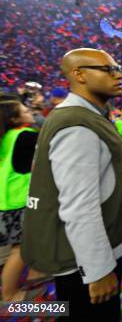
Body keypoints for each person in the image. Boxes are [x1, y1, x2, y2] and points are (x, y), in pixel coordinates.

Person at [21, 48, 122, 321]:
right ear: (79, 74)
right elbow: (79, 207)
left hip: (79, 256)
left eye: (118, 68)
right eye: (108, 69)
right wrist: (98, 271)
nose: (118, 75)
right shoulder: (77, 126)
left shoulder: (81, 116)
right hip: (83, 263)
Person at [0, 100, 46, 301]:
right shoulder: (26, 135)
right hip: (18, 200)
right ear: (15, 118)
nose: (30, 112)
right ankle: (9, 296)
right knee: (20, 250)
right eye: (25, 111)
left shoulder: (6, 136)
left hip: (6, 200)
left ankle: (35, 275)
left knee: (20, 245)